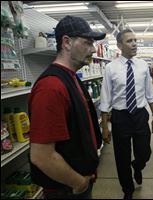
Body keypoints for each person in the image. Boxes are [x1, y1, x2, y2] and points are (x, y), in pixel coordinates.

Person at [28, 15, 106, 199]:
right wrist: (78, 183)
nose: (93, 49)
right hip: (66, 189)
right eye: (87, 42)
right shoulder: (51, 87)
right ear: (67, 42)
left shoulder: (70, 78)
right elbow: (41, 156)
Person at [100, 29, 153, 199]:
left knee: (144, 152)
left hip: (140, 115)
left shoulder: (142, 66)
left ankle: (138, 166)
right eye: (129, 41)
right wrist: (105, 127)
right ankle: (127, 190)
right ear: (119, 45)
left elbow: (149, 93)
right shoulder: (110, 68)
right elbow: (105, 99)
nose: (134, 44)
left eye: (135, 40)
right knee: (121, 157)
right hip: (120, 117)